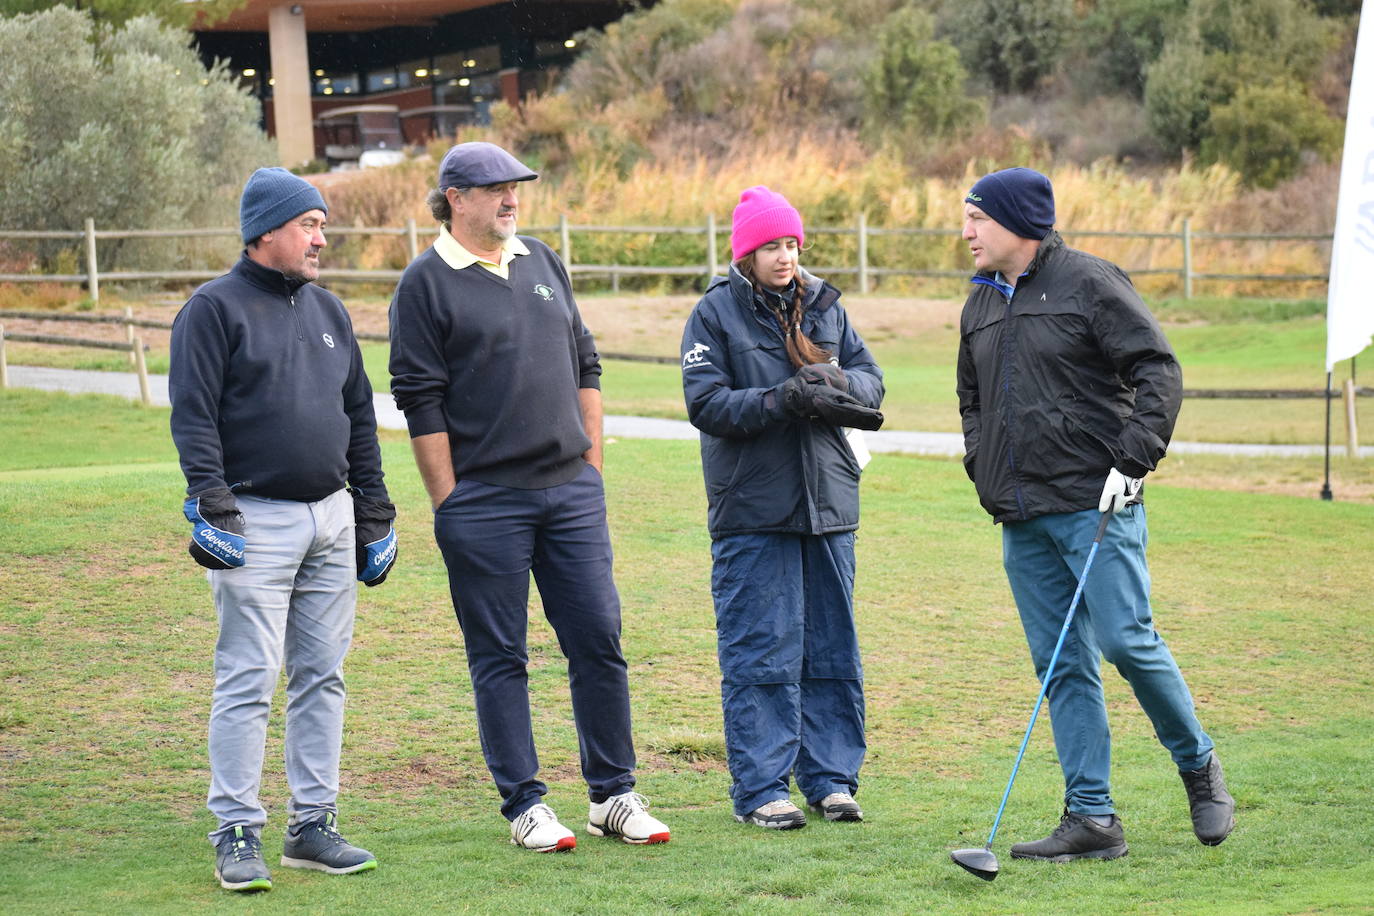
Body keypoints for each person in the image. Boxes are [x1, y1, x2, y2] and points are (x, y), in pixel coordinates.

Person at [387, 142, 669, 852]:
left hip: (570, 491)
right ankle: (525, 804)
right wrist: (448, 501)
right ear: (456, 197)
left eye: (517, 187)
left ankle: (613, 794)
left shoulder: (541, 260)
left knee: (599, 639)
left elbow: (586, 363)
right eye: (496, 189)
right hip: (485, 502)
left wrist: (592, 467)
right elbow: (418, 400)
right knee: (500, 655)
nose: (513, 199)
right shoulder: (424, 284)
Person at [955, 166, 1235, 861]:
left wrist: (1133, 459)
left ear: (1018, 222)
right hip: (1021, 514)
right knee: (1061, 667)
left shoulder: (1088, 282)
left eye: (976, 219)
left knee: (1125, 642)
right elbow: (972, 398)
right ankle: (1092, 819)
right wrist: (980, 460)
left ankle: (1198, 765)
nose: (965, 233)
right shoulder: (980, 302)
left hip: (1096, 502)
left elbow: (1157, 371)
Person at [170, 167, 397, 892]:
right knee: (247, 677)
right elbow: (194, 415)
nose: (321, 238)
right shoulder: (213, 310)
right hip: (254, 521)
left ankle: (312, 825)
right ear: (265, 229)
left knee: (322, 678)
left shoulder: (328, 311)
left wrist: (375, 511)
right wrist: (212, 501)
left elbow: (359, 416)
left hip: (332, 518)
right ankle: (236, 829)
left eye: (322, 224)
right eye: (309, 224)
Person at [680, 186, 885, 830]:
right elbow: (706, 404)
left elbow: (873, 381)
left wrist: (838, 384)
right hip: (753, 510)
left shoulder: (827, 308)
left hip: (830, 506)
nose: (785, 255)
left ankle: (830, 780)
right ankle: (764, 787)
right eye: (771, 245)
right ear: (746, 253)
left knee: (831, 648)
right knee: (761, 648)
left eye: (792, 243)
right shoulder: (714, 316)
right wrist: (782, 400)